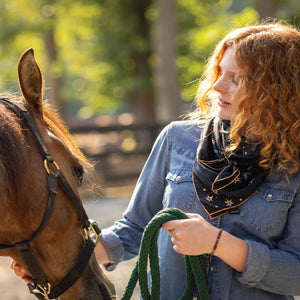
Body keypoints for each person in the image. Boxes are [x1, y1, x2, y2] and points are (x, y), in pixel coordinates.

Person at [12, 21, 300, 299]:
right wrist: (60, 260)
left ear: (274, 90)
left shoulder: (294, 167)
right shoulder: (177, 140)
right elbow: (136, 227)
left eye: (236, 79)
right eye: (219, 72)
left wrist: (218, 244)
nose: (217, 86)